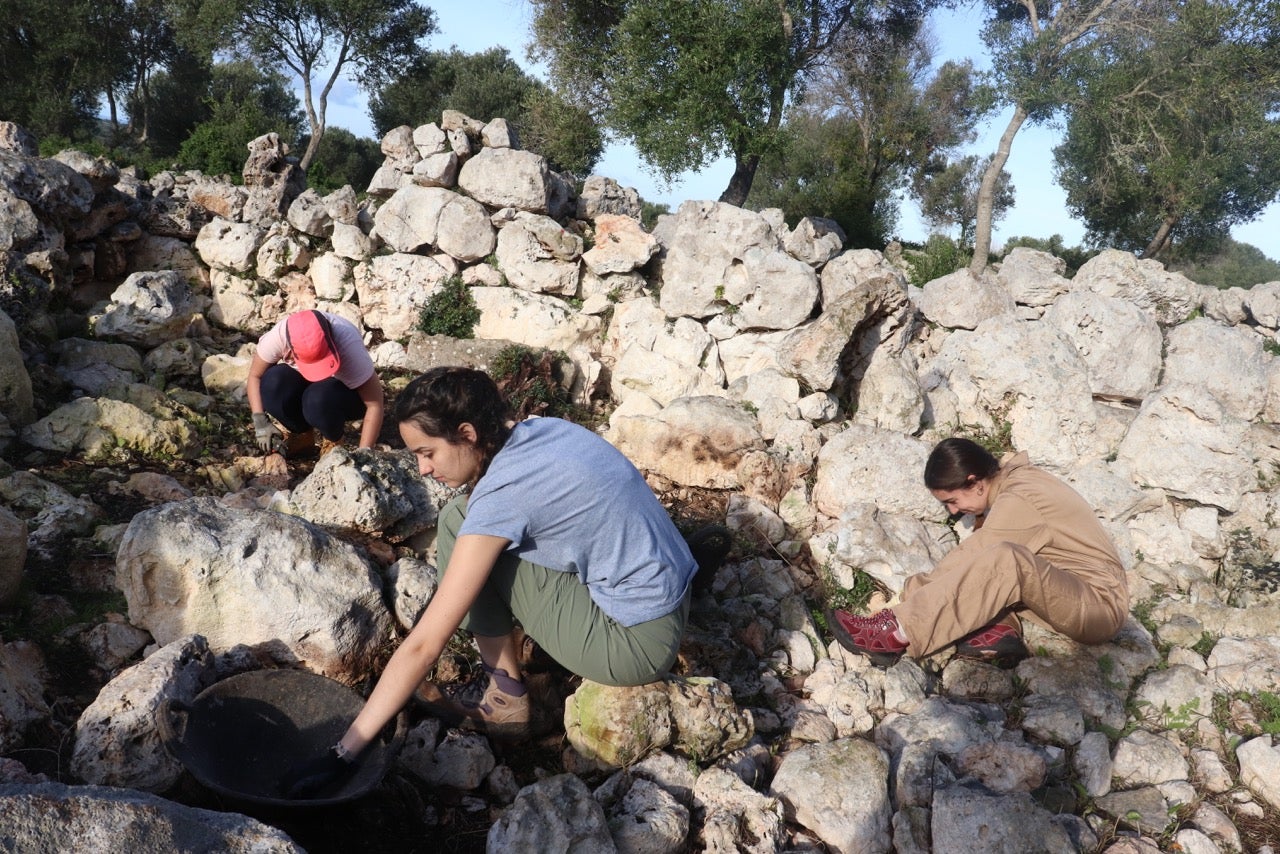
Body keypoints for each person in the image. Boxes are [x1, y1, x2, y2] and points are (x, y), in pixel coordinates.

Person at [280, 366, 707, 797]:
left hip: (633, 646)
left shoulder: (502, 499)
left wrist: (343, 754)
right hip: (669, 587)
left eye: (428, 452)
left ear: (467, 433)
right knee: (459, 516)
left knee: (469, 537)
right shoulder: (544, 430)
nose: (423, 469)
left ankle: (503, 698)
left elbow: (425, 646)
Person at [829, 437, 1129, 669]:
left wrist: (906, 600)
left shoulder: (1022, 496)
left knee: (1006, 560)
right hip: (1068, 592)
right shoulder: (1014, 484)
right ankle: (998, 634)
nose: (953, 511)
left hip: (1097, 607)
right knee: (993, 568)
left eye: (952, 501)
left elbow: (978, 555)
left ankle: (894, 634)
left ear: (974, 483)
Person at [246, 309, 385, 458]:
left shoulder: (348, 344)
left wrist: (364, 455)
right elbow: (255, 376)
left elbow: (375, 404)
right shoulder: (278, 337)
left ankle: (333, 440)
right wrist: (260, 422)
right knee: (272, 383)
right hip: (309, 387)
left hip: (342, 394)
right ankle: (302, 435)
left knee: (317, 399)